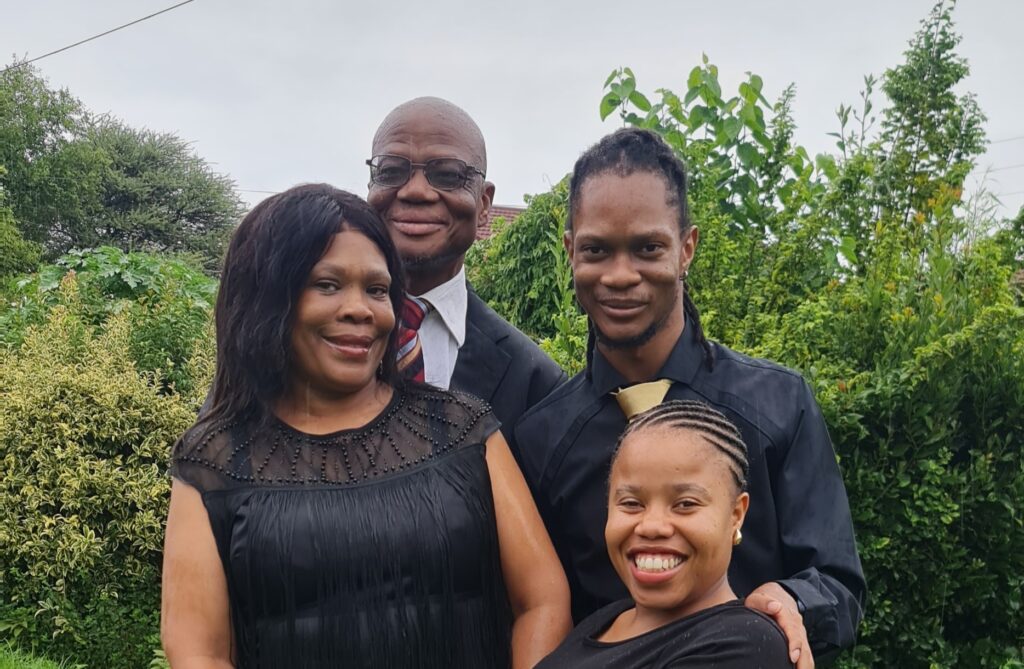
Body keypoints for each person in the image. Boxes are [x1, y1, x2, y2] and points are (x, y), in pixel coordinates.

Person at [161, 184, 571, 668]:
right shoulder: (214, 464)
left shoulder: (465, 431)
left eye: (377, 289)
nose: (360, 309)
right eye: (327, 284)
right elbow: (198, 652)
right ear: (268, 297)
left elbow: (542, 600)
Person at [514, 128, 866, 667]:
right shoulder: (542, 437)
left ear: (687, 248)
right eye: (596, 250)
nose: (621, 275)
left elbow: (838, 584)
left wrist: (789, 602)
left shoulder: (777, 405)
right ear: (570, 253)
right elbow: (540, 603)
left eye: (647, 248)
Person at [536, 400, 793, 669]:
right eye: (631, 503)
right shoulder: (605, 620)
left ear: (736, 514)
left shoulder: (743, 645)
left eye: (685, 504)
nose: (651, 526)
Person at [366, 97, 565, 439]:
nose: (415, 191)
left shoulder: (534, 380)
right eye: (391, 171)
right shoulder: (303, 344)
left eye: (447, 175)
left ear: (484, 203)